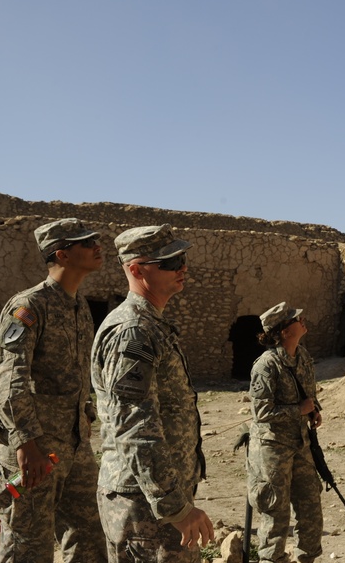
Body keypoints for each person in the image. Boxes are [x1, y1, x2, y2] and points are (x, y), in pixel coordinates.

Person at [91, 224, 214, 562]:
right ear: (136, 270)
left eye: (183, 258)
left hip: (154, 501)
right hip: (145, 507)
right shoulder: (134, 332)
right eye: (170, 262)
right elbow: (134, 426)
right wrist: (175, 508)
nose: (182, 267)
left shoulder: (152, 326)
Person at [0, 217, 107, 562]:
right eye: (86, 243)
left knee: (88, 537)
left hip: (73, 444)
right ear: (62, 254)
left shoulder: (79, 306)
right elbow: (8, 377)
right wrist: (25, 441)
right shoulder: (28, 306)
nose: (97, 246)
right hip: (33, 448)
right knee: (28, 542)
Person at [247, 302, 324, 563]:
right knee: (275, 512)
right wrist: (298, 410)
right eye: (295, 319)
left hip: (300, 443)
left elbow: (308, 394)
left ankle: (307, 558)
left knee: (310, 506)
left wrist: (313, 409)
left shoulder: (301, 356)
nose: (302, 319)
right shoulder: (266, 366)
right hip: (272, 449)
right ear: (283, 331)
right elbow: (261, 413)